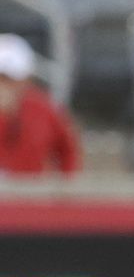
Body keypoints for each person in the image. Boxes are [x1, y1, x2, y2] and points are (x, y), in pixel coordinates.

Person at [0, 35, 81, 175]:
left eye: (10, 78)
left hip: (29, 192)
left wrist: (64, 189)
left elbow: (68, 149)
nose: (5, 85)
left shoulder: (42, 108)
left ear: (26, 79)